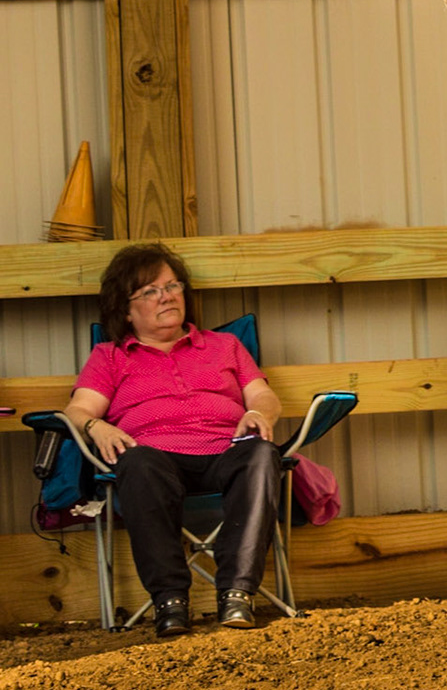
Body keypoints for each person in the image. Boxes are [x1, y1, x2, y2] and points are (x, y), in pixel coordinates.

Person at [61, 244, 282, 636]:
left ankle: (237, 593)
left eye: (172, 286)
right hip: (155, 456)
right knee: (137, 462)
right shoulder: (110, 355)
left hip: (226, 449)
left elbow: (262, 395)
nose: (166, 296)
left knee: (263, 454)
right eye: (149, 291)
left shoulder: (224, 346)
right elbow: (79, 410)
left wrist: (257, 414)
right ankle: (170, 600)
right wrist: (98, 427)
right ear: (125, 310)